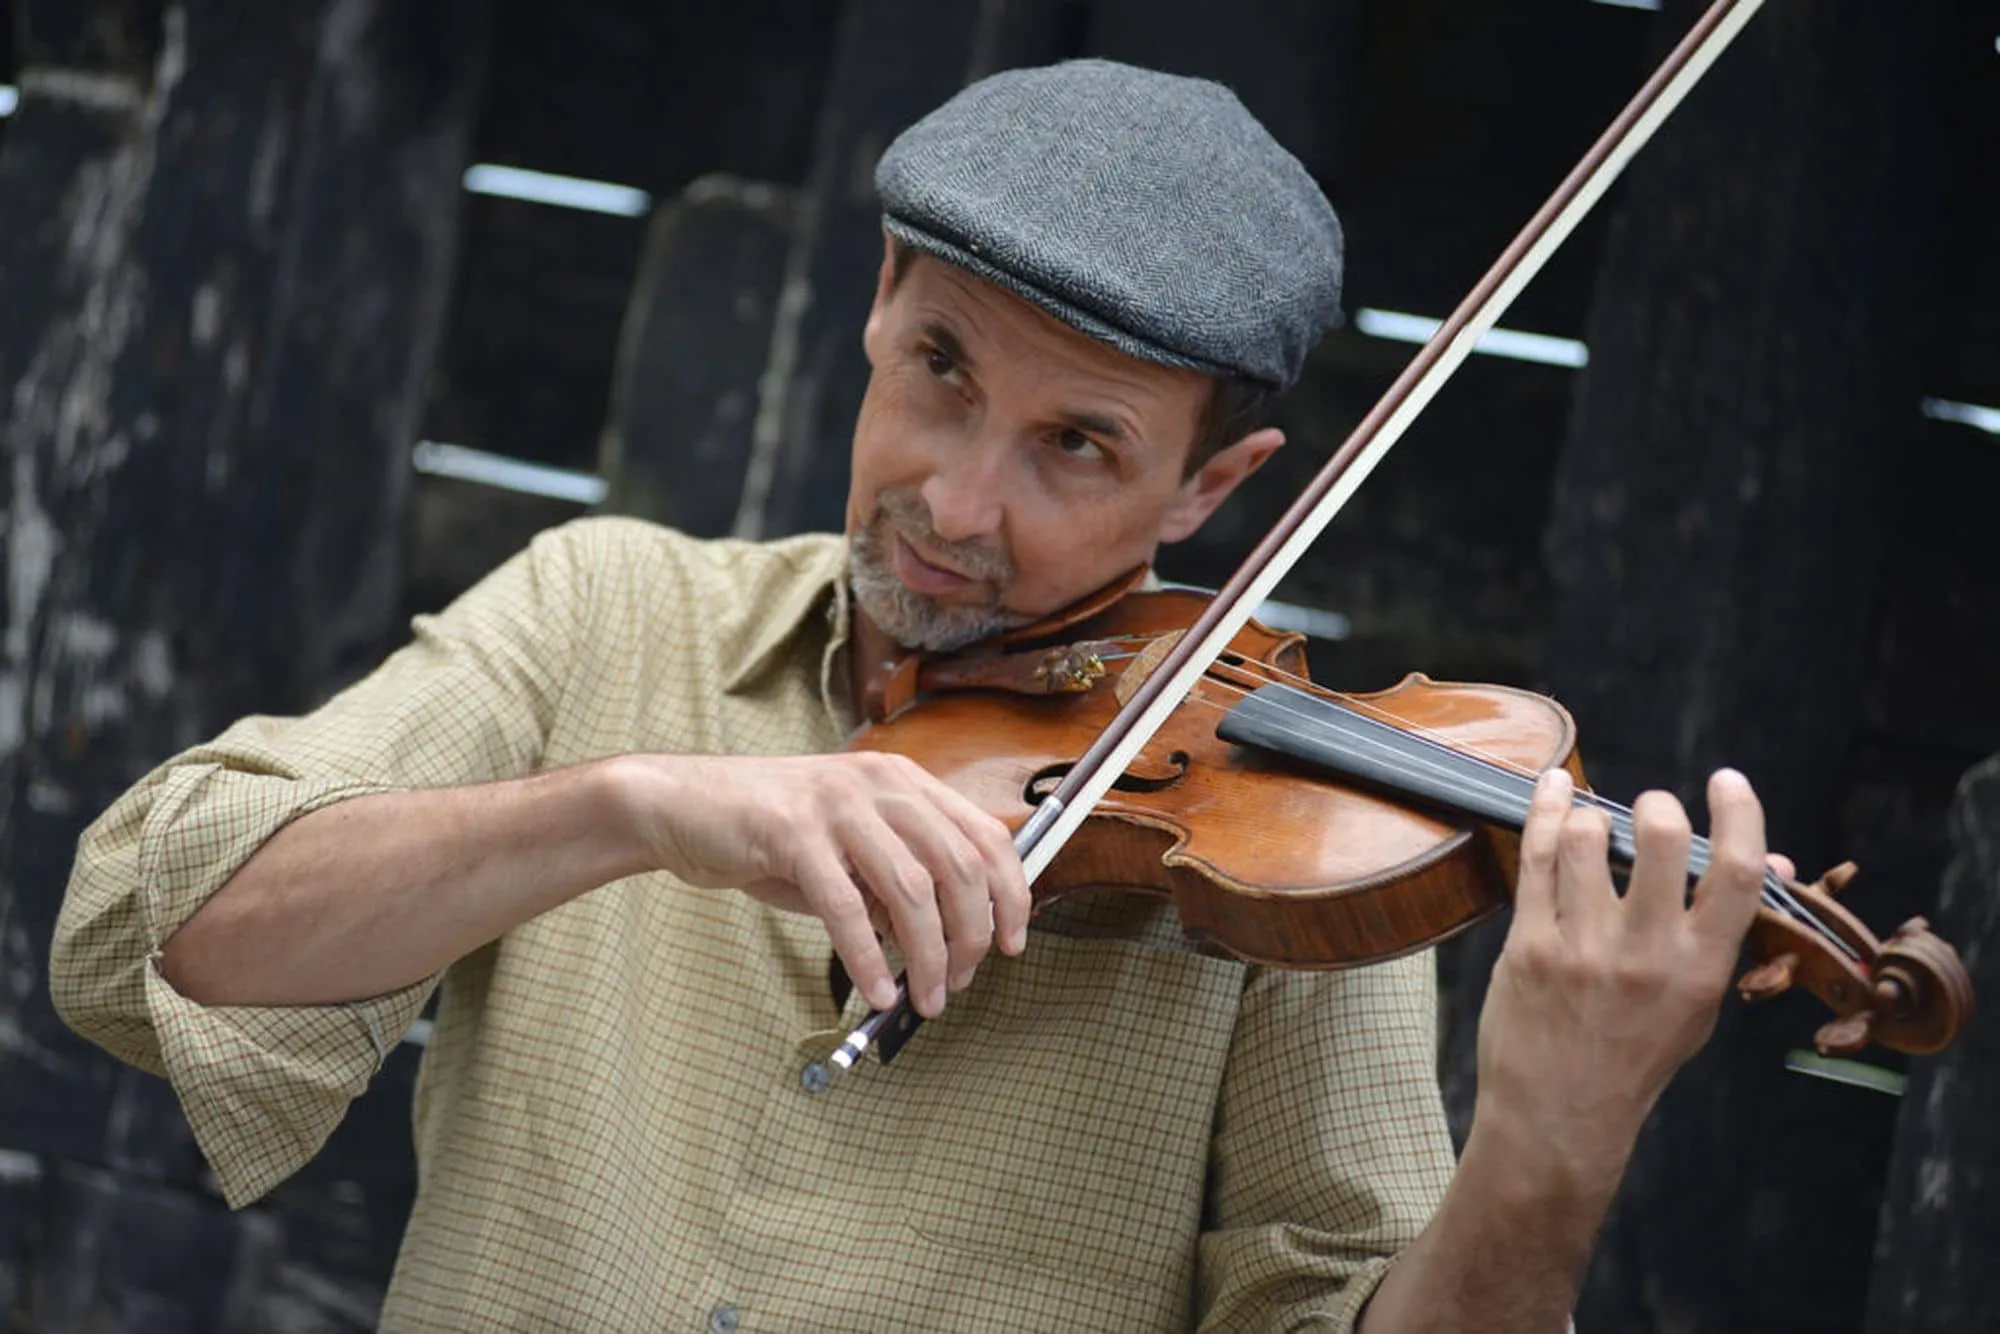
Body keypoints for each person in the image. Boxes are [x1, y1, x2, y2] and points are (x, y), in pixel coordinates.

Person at [51, 60, 1778, 1332]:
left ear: (1212, 485)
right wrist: (630, 806)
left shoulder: (1301, 852)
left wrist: (1550, 1151)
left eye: (1076, 446)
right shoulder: (607, 615)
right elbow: (155, 931)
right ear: (878, 303)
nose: (957, 503)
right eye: (943, 368)